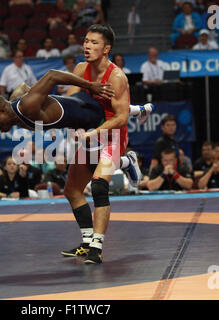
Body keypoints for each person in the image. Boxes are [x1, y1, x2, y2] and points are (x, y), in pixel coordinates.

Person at [60, 24, 139, 264]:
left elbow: (121, 118)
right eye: (86, 41)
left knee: (98, 187)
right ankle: (86, 242)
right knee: (72, 190)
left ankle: (97, 246)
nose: (87, 46)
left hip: (112, 134)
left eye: (94, 43)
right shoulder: (81, 68)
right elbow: (72, 101)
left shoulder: (116, 77)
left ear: (106, 49)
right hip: (90, 133)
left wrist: (94, 132)